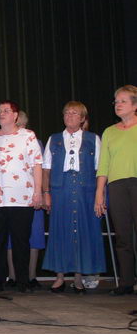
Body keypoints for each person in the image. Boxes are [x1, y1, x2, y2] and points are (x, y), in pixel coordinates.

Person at [0, 100, 43, 293]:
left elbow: (36, 165)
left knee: (21, 241)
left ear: (15, 115)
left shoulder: (28, 136)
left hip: (22, 197)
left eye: (6, 111)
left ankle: (22, 281)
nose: (1, 114)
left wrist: (38, 191)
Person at [41, 101, 105, 294]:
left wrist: (98, 196)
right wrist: (46, 194)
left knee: (82, 233)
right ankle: (59, 277)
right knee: (60, 230)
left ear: (82, 118)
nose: (70, 116)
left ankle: (78, 278)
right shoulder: (54, 139)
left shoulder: (93, 139)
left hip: (85, 190)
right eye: (67, 113)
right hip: (61, 190)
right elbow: (46, 170)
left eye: (74, 113)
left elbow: (100, 169)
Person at [95, 85, 137, 296]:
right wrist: (99, 193)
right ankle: (126, 282)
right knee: (122, 236)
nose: (118, 105)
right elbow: (104, 166)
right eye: (116, 101)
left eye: (122, 101)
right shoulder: (109, 132)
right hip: (117, 186)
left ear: (135, 105)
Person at [5, 111, 46, 290]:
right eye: (16, 124)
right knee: (11, 239)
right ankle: (13, 276)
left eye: (22, 124)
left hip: (32, 196)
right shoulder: (3, 141)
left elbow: (43, 170)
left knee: (34, 237)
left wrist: (43, 192)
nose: (19, 127)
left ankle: (31, 276)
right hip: (11, 197)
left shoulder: (35, 142)